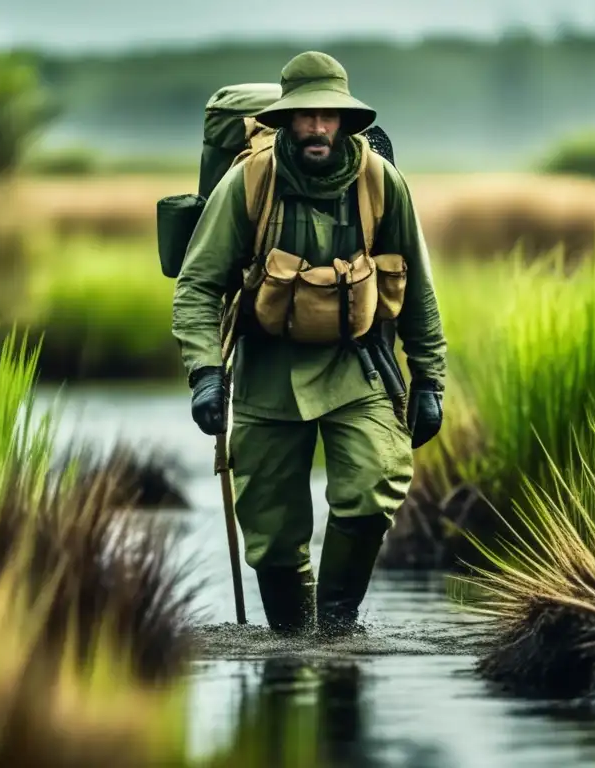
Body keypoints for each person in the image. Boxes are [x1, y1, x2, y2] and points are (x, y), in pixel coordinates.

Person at [171, 50, 447, 637]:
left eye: (328, 116)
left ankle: (337, 630)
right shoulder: (247, 183)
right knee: (271, 535)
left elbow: (418, 287)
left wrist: (429, 381)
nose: (317, 127)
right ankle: (293, 644)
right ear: (284, 121)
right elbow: (198, 284)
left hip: (361, 366)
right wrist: (205, 375)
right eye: (304, 116)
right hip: (269, 369)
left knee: (374, 489)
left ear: (346, 121)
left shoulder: (381, 182)